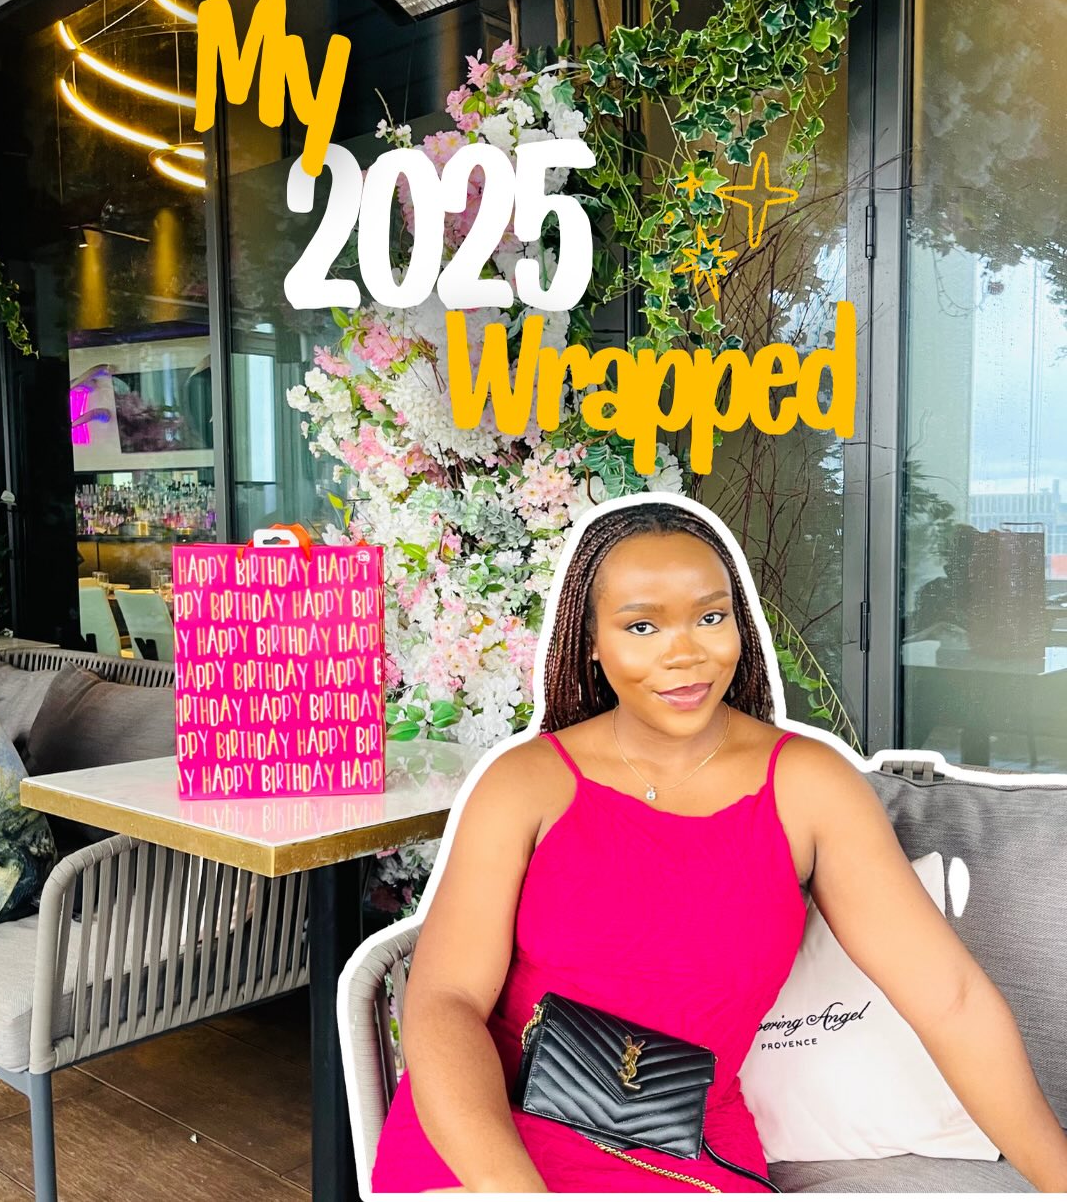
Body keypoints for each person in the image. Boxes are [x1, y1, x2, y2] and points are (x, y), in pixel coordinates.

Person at [369, 498, 1067, 1193]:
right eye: (642, 625)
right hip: (490, 1133)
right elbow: (445, 1000)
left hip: (685, 1149)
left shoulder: (808, 787)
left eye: (710, 617)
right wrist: (512, 1190)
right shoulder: (523, 784)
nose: (686, 654)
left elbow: (951, 1000)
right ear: (591, 641)